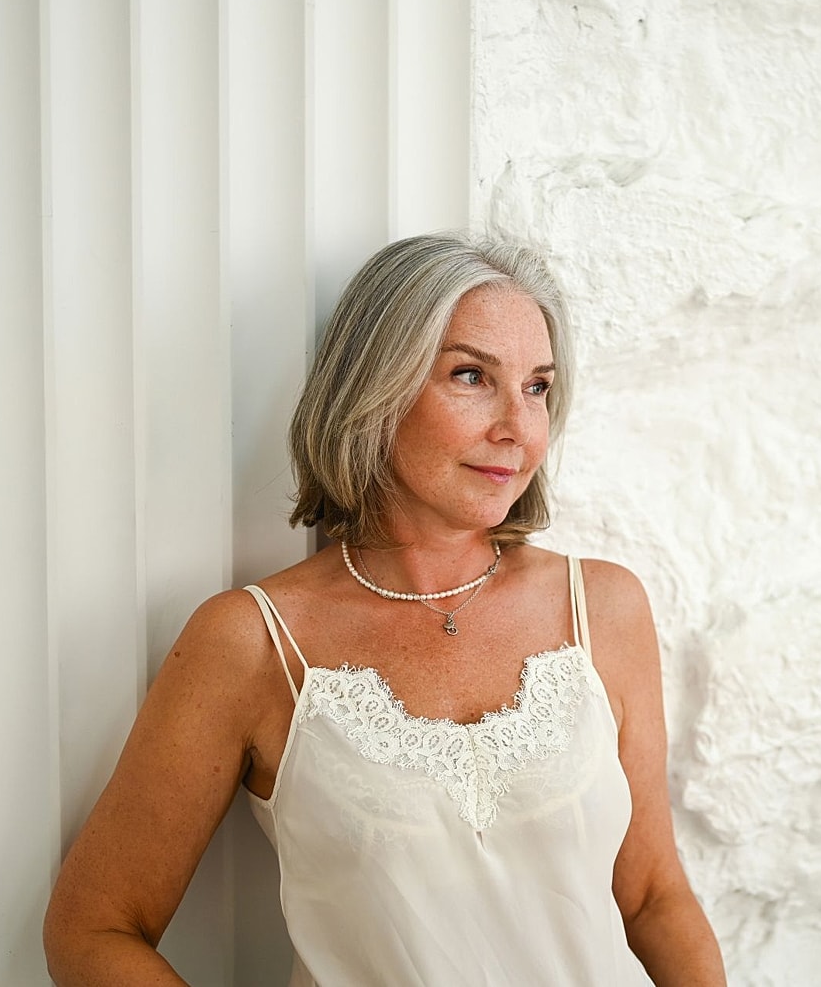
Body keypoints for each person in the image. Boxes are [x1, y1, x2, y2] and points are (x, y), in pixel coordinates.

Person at [44, 233, 727, 986]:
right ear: (376, 387)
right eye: (472, 376)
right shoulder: (253, 643)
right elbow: (93, 930)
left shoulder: (602, 607)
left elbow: (655, 898)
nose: (518, 427)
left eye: (537, 386)